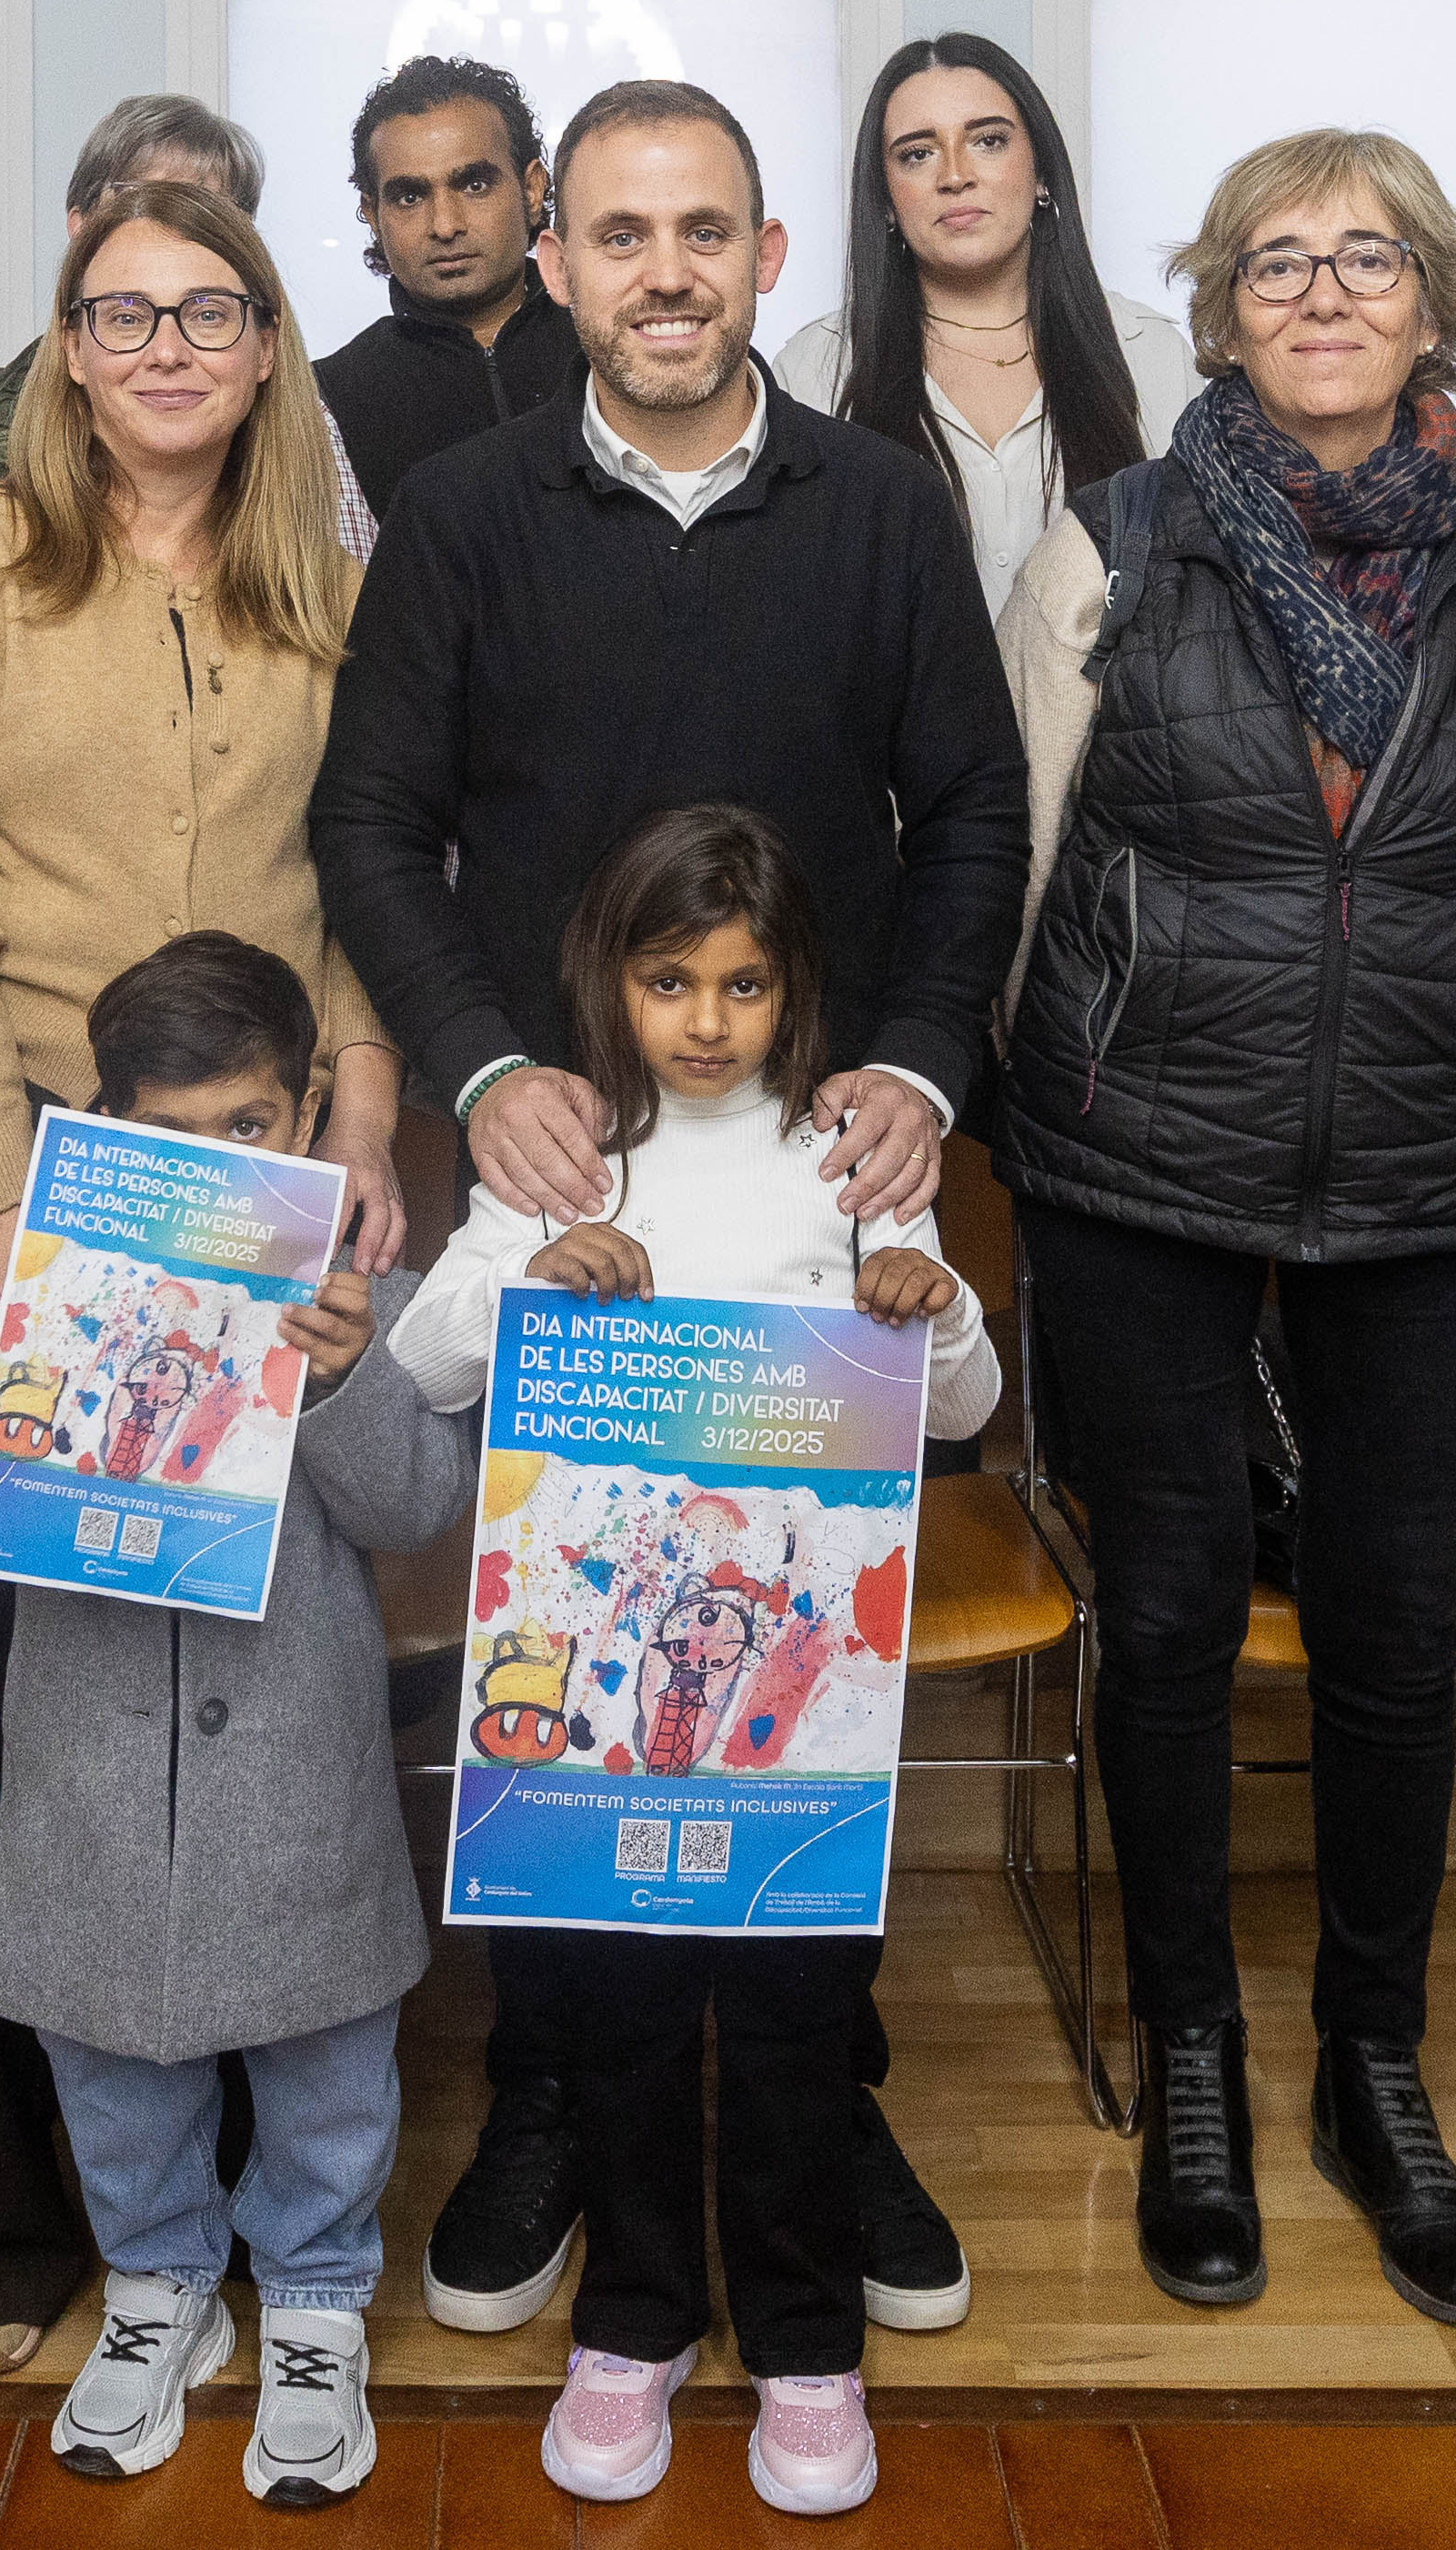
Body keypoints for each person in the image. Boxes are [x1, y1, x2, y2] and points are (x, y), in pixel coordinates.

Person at [307, 75, 1021, 2353]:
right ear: (548, 252)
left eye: (701, 228)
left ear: (765, 260)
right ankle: (546, 2088)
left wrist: (908, 1070)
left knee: (792, 1654)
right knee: (572, 1656)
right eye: (615, 232)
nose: (661, 270)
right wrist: (491, 1073)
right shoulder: (455, 510)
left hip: (800, 1190)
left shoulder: (881, 508)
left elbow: (979, 812)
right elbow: (367, 823)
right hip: (566, 1198)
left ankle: (825, 2089)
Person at [988, 125, 1456, 2332]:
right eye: (1270, 264)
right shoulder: (1111, 545)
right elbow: (1020, 844)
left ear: (1432, 302)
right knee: (1152, 1615)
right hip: (1135, 1146)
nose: (1318, 295)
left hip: (1418, 1167)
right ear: (1215, 309)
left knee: (1385, 1615)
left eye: (1365, 261)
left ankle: (1367, 2060)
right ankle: (1197, 2056)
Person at [0, 175, 405, 2374]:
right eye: (117, 312)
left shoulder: (322, 578)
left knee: (268, 1633)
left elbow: (360, 868)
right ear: (63, 349)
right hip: (19, 1153)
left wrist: (355, 1111)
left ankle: (300, 2208)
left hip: (260, 1167)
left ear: (265, 344)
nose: (162, 345)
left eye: (207, 310)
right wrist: (4, 1196)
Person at [395, 809, 1000, 2518]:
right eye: (672, 981)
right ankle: (636, 2321)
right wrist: (536, 1283)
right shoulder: (563, 1157)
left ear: (794, 986)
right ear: (615, 980)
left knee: (804, 2021)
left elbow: (962, 1403)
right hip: (598, 1718)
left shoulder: (847, 1161)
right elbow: (436, 1360)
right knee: (624, 2026)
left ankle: (808, 2348)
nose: (711, 1018)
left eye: (743, 981)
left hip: (800, 1717)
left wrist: (920, 1301)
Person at [0, 933, 469, 2509]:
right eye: (174, 1129)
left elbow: (425, 1501)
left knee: (324, 2053)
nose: (220, 1157)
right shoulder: (46, 1279)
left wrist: (346, 1383)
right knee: (106, 2053)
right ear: (110, 1126)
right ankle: (154, 2285)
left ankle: (316, 2298)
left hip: (294, 1758)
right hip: (82, 1750)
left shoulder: (368, 1294)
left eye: (252, 1127)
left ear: (304, 1116)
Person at [770, 34, 1179, 620]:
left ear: (1041, 172)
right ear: (886, 199)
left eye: (988, 141)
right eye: (918, 154)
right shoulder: (814, 371)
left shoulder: (1151, 354)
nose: (955, 176)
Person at [0, 94, 378, 554]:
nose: (168, 352)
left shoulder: (311, 426)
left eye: (205, 217)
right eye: (145, 204)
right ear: (80, 228)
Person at [311, 54, 577, 516]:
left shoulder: (612, 345)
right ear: (373, 214)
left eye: (474, 185)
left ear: (532, 188)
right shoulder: (329, 397)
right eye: (410, 196)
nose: (445, 225)